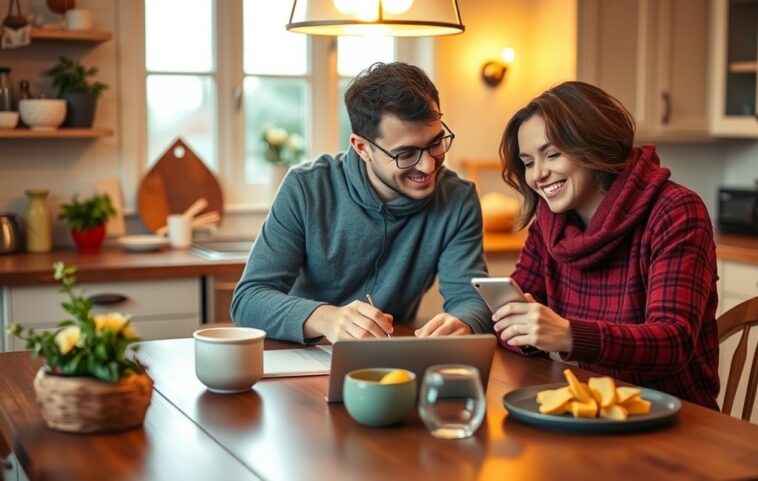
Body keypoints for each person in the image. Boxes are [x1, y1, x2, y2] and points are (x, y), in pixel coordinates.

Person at [492, 81, 720, 408]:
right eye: (528, 163)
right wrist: (524, 332)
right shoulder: (548, 223)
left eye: (552, 154)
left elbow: (673, 341)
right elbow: (513, 314)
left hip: (673, 416)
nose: (538, 175)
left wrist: (568, 335)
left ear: (594, 145)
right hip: (587, 407)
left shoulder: (676, 211)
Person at [232, 62, 492, 344]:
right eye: (405, 154)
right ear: (362, 147)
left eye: (436, 143)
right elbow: (248, 299)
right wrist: (325, 317)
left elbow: (470, 298)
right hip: (303, 360)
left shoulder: (458, 198)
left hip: (390, 360)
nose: (428, 166)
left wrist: (464, 321)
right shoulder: (306, 188)